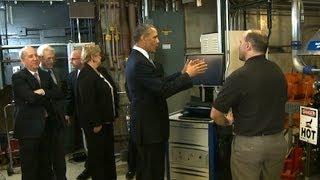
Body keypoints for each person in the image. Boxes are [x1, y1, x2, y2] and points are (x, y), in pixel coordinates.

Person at [125, 23, 207, 180]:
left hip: (150, 128)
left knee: (149, 170)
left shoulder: (140, 59)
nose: (158, 41)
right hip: (149, 130)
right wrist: (187, 76)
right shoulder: (139, 62)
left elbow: (159, 83)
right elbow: (163, 90)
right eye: (155, 37)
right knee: (152, 172)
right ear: (143, 38)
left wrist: (181, 73)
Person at [211, 30, 288, 180]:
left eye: (240, 43)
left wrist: (227, 122)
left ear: (248, 46)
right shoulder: (278, 71)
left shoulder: (239, 76)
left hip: (249, 146)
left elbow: (215, 114)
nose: (239, 46)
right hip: (277, 143)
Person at [12, 46, 63, 180]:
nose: (35, 58)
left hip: (47, 126)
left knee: (45, 165)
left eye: (36, 55)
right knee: (30, 168)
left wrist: (43, 92)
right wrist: (44, 95)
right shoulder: (18, 77)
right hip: (28, 130)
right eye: (30, 56)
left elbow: (58, 93)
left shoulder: (45, 74)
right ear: (23, 60)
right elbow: (31, 98)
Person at [77, 44, 117, 180]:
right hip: (96, 126)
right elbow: (88, 102)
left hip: (106, 122)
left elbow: (111, 90)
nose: (101, 57)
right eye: (99, 54)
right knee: (98, 158)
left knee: (108, 156)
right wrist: (96, 123)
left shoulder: (100, 71)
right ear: (92, 56)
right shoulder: (85, 74)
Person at [37, 44, 67, 180]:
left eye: (53, 58)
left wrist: (65, 113)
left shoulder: (58, 72)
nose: (51, 61)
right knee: (46, 155)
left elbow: (62, 94)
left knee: (60, 154)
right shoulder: (36, 75)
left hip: (58, 119)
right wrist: (51, 93)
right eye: (48, 58)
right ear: (41, 58)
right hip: (44, 121)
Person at [65, 47, 91, 180]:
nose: (70, 62)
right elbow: (70, 96)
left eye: (73, 59)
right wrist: (68, 113)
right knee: (87, 143)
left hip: (95, 117)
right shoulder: (71, 76)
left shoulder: (94, 72)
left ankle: (92, 167)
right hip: (81, 117)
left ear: (82, 59)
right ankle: (90, 167)